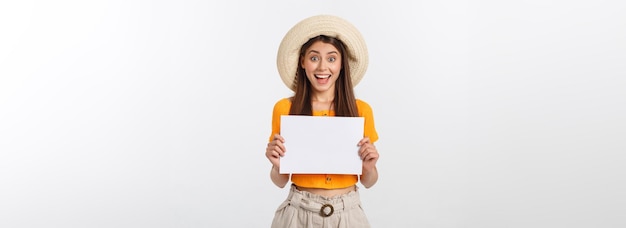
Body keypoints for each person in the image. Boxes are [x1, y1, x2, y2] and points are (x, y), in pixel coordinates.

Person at [265, 14, 380, 228]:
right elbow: (279, 181)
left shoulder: (361, 110)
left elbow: (369, 181)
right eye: (314, 57)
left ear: (342, 64)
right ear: (302, 62)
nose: (322, 68)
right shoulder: (286, 109)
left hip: (348, 215)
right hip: (298, 214)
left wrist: (369, 167)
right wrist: (277, 165)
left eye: (332, 58)